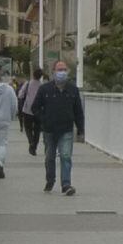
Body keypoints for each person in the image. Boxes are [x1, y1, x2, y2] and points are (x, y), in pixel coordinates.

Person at [31, 61, 85, 195]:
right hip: (49, 130)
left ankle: (66, 184)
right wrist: (44, 120)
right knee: (50, 157)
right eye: (59, 69)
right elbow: (35, 107)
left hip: (66, 129)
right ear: (54, 72)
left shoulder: (73, 89)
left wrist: (80, 130)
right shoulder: (45, 89)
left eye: (64, 70)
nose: (62, 72)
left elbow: (78, 111)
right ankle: (50, 179)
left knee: (66, 156)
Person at [20, 68, 44, 154]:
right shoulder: (42, 86)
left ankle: (31, 142)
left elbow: (21, 95)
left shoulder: (28, 84)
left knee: (28, 128)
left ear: (33, 75)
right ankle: (34, 147)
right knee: (37, 130)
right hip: (38, 110)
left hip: (27, 109)